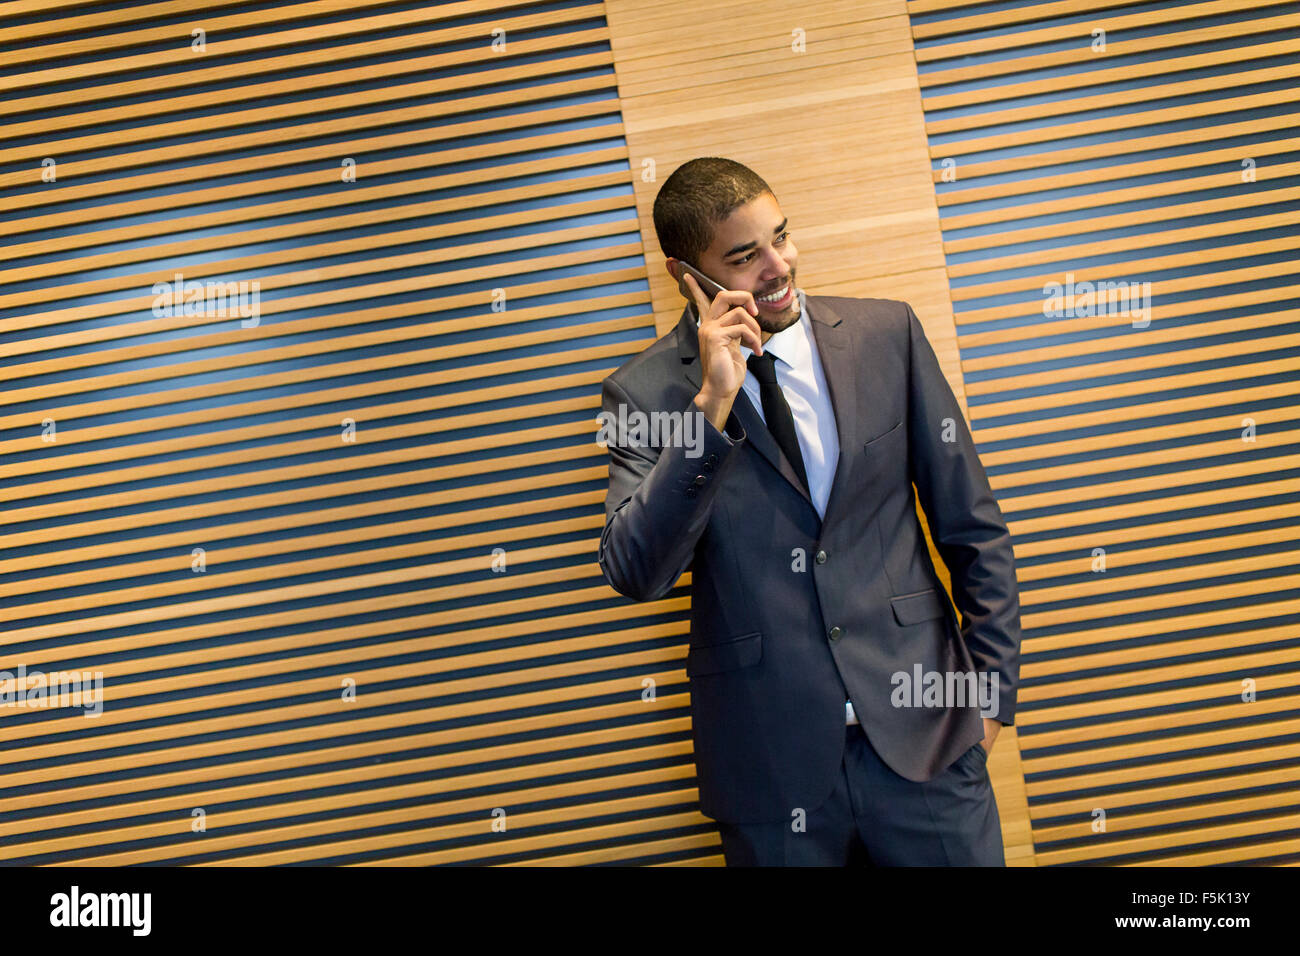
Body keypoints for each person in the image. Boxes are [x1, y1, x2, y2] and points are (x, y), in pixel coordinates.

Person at [597, 157, 1021, 865]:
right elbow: (637, 573)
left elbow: (974, 530)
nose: (778, 264)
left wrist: (989, 699)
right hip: (770, 775)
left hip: (930, 744)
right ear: (686, 275)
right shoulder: (642, 397)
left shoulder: (888, 336)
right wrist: (710, 409)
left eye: (781, 237)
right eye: (744, 255)